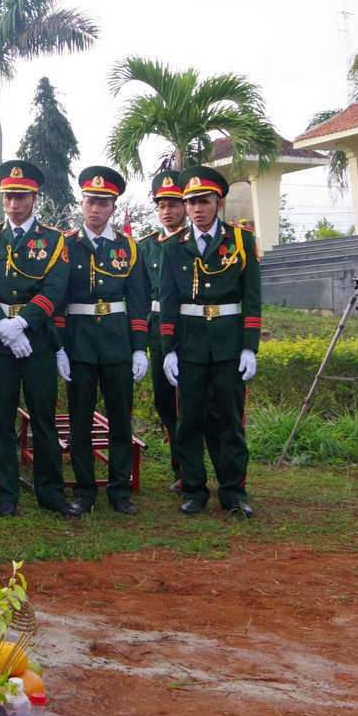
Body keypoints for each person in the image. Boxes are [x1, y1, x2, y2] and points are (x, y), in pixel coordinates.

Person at [0, 160, 82, 518]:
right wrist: (2, 326)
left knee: (43, 416)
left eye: (21, 197)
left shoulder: (53, 240)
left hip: (37, 341)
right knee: (0, 418)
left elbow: (55, 288)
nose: (14, 204)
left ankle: (51, 492)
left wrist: (22, 325)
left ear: (35, 198)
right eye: (8, 197)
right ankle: (6, 493)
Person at [158, 166, 262, 517]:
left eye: (204, 201)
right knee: (189, 419)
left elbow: (253, 296)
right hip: (189, 345)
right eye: (191, 203)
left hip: (229, 343)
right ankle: (195, 489)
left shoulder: (241, 240)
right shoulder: (172, 246)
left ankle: (233, 492)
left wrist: (250, 346)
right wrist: (169, 349)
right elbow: (169, 300)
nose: (197, 209)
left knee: (230, 420)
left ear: (219, 202)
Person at [55, 167, 151, 515]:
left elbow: (138, 300)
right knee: (80, 420)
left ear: (113, 207)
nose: (95, 209)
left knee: (120, 421)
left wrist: (140, 348)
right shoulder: (65, 245)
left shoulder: (128, 248)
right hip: (78, 343)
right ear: (81, 203)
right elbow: (58, 300)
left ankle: (119, 490)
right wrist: (59, 347)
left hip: (117, 344)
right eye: (90, 201)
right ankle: (84, 490)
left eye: (103, 203)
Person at [136, 170, 201, 494]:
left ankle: (193, 469)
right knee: (165, 401)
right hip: (159, 332)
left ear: (185, 207)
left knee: (191, 402)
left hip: (192, 330)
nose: (167, 211)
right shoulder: (145, 247)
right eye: (161, 204)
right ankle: (180, 465)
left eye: (173, 204)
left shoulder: (196, 241)